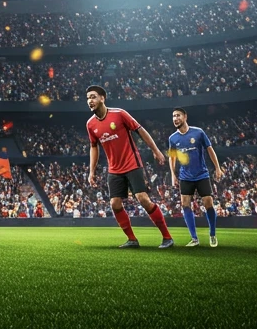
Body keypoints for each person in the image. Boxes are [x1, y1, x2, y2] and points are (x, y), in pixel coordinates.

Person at [85, 85, 173, 249]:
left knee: (143, 199)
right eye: (88, 98)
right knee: (115, 204)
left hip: (132, 163)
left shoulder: (119, 114)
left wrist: (156, 151)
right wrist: (91, 171)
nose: (90, 100)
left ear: (102, 98)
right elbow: (93, 147)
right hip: (114, 169)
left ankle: (167, 237)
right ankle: (132, 240)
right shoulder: (90, 124)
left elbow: (140, 130)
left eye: (93, 97)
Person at [168, 107, 223, 247]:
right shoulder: (172, 138)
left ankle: (212, 234)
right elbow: (172, 157)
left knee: (208, 204)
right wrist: (173, 175)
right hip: (185, 176)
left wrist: (217, 167)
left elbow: (210, 150)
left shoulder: (198, 132)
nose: (175, 118)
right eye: (173, 116)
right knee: (185, 204)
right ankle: (194, 238)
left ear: (185, 117)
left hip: (201, 174)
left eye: (178, 115)